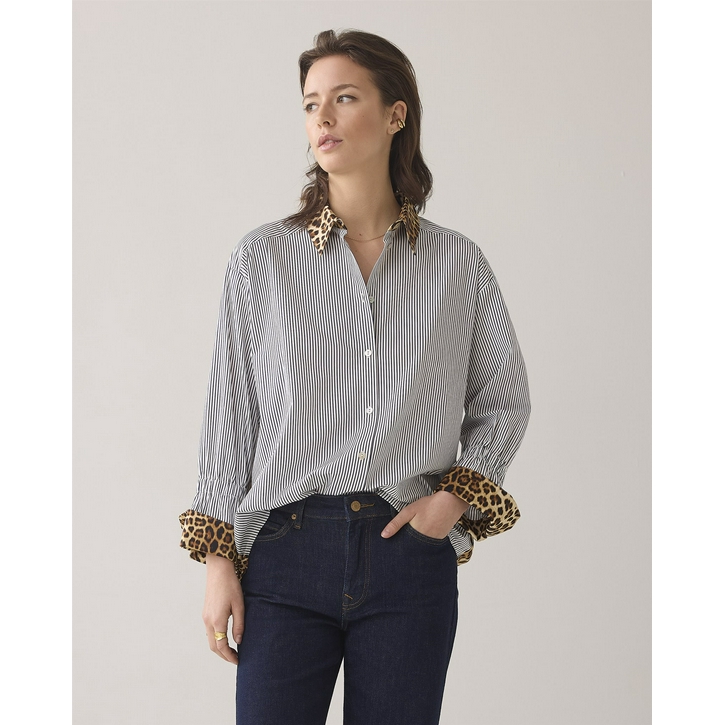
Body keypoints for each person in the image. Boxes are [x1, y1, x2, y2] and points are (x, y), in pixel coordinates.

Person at [179, 28, 531, 725]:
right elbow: (231, 416)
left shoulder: (457, 265)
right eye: (311, 104)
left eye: (344, 98)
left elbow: (503, 399)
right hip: (284, 554)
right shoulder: (261, 260)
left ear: (395, 114)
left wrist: (450, 501)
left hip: (408, 555)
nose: (323, 118)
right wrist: (218, 560)